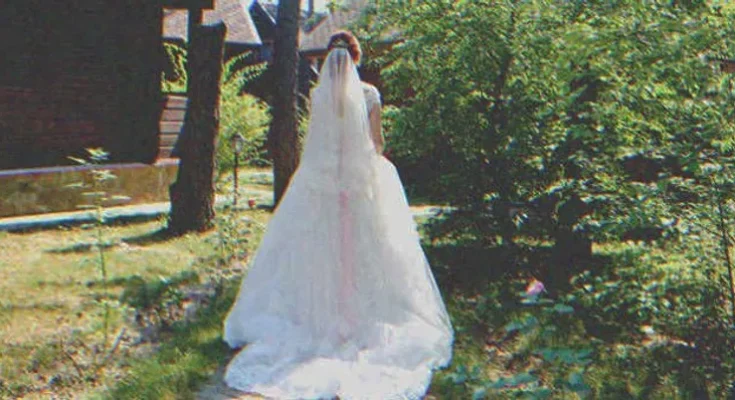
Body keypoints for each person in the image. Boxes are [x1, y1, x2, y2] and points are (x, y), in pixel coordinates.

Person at [223, 31, 453, 400]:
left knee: (319, 248)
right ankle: (359, 318)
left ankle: (321, 317)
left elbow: (316, 144)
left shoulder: (318, 96)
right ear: (357, 58)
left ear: (327, 60)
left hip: (322, 185)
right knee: (373, 249)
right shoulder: (370, 95)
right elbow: (376, 144)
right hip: (362, 185)